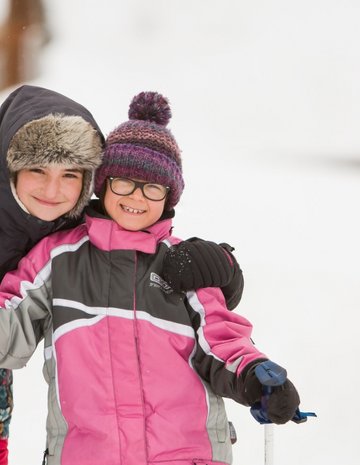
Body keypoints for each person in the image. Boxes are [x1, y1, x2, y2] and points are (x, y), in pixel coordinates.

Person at [0, 91, 300, 465]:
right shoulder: (57, 258)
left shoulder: (184, 263)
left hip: (184, 455)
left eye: (152, 187)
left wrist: (256, 375)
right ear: (104, 184)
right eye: (124, 181)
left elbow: (221, 338)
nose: (136, 198)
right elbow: (10, 322)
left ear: (169, 195)